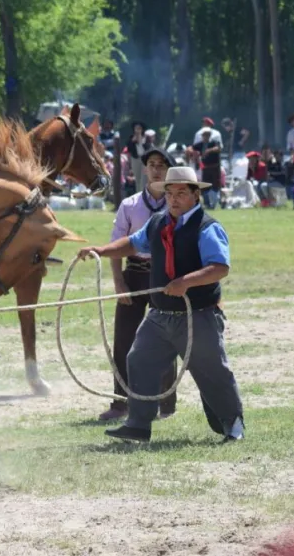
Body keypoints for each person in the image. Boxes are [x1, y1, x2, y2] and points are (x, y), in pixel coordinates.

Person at [77, 165, 244, 444]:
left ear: (195, 196)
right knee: (139, 360)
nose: (174, 199)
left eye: (181, 193)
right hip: (159, 317)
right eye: (169, 193)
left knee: (212, 371)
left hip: (197, 316)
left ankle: (233, 424)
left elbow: (219, 267)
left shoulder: (207, 227)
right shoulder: (157, 222)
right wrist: (102, 250)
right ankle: (138, 424)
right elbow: (133, 244)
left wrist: (185, 282)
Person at [98, 147, 178, 422]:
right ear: (144, 169)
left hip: (164, 277)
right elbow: (115, 245)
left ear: (169, 170)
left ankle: (166, 402)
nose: (156, 169)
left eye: (162, 165)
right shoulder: (129, 205)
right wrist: (119, 282)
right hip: (133, 273)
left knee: (166, 338)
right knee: (124, 340)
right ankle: (120, 402)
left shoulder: (177, 205)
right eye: (152, 164)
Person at [193, 130, 222, 209]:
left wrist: (209, 150)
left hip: (214, 168)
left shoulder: (214, 142)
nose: (205, 137)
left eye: (207, 135)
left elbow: (218, 148)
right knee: (205, 186)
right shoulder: (200, 144)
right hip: (205, 168)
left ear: (209, 136)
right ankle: (207, 203)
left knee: (215, 186)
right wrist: (194, 153)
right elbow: (192, 148)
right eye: (204, 135)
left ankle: (215, 203)